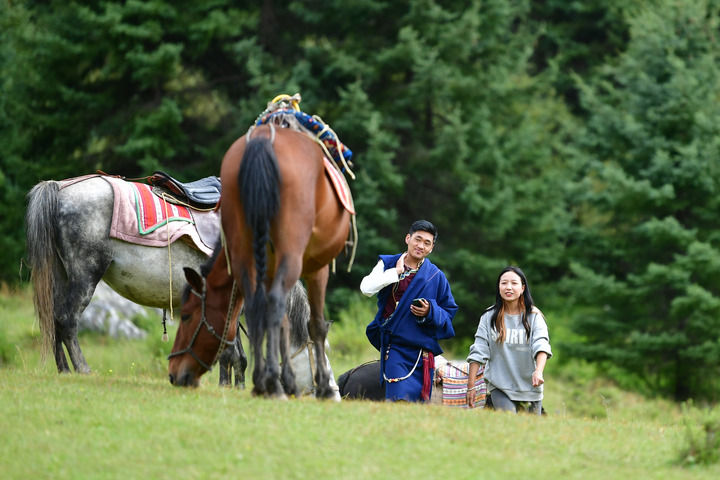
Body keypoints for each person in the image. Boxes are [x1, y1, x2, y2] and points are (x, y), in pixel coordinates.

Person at [361, 220, 457, 402]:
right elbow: (366, 288)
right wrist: (395, 273)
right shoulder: (387, 263)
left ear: (431, 248)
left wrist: (430, 311)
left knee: (418, 407)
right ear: (408, 238)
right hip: (395, 348)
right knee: (398, 401)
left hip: (423, 353)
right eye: (417, 239)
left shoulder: (436, 276)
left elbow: (449, 313)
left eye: (427, 243)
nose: (421, 246)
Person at [466, 266, 551, 414]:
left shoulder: (534, 317)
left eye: (514, 283)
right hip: (500, 385)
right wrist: (471, 386)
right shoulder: (489, 317)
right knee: (510, 423)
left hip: (530, 386)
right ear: (499, 287)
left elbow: (541, 345)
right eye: (504, 283)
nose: (508, 287)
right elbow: (478, 350)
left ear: (523, 287)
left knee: (532, 432)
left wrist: (538, 371)